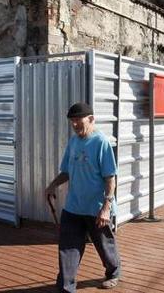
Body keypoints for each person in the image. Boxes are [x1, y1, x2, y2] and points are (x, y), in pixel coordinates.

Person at [46, 102, 121, 292]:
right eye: (72, 121)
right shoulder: (73, 142)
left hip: (96, 208)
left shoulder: (101, 142)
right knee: (68, 248)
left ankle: (113, 272)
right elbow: (67, 171)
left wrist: (106, 207)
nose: (74, 125)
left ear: (91, 119)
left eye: (78, 120)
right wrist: (52, 185)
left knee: (104, 246)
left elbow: (110, 178)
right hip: (73, 207)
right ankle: (66, 287)